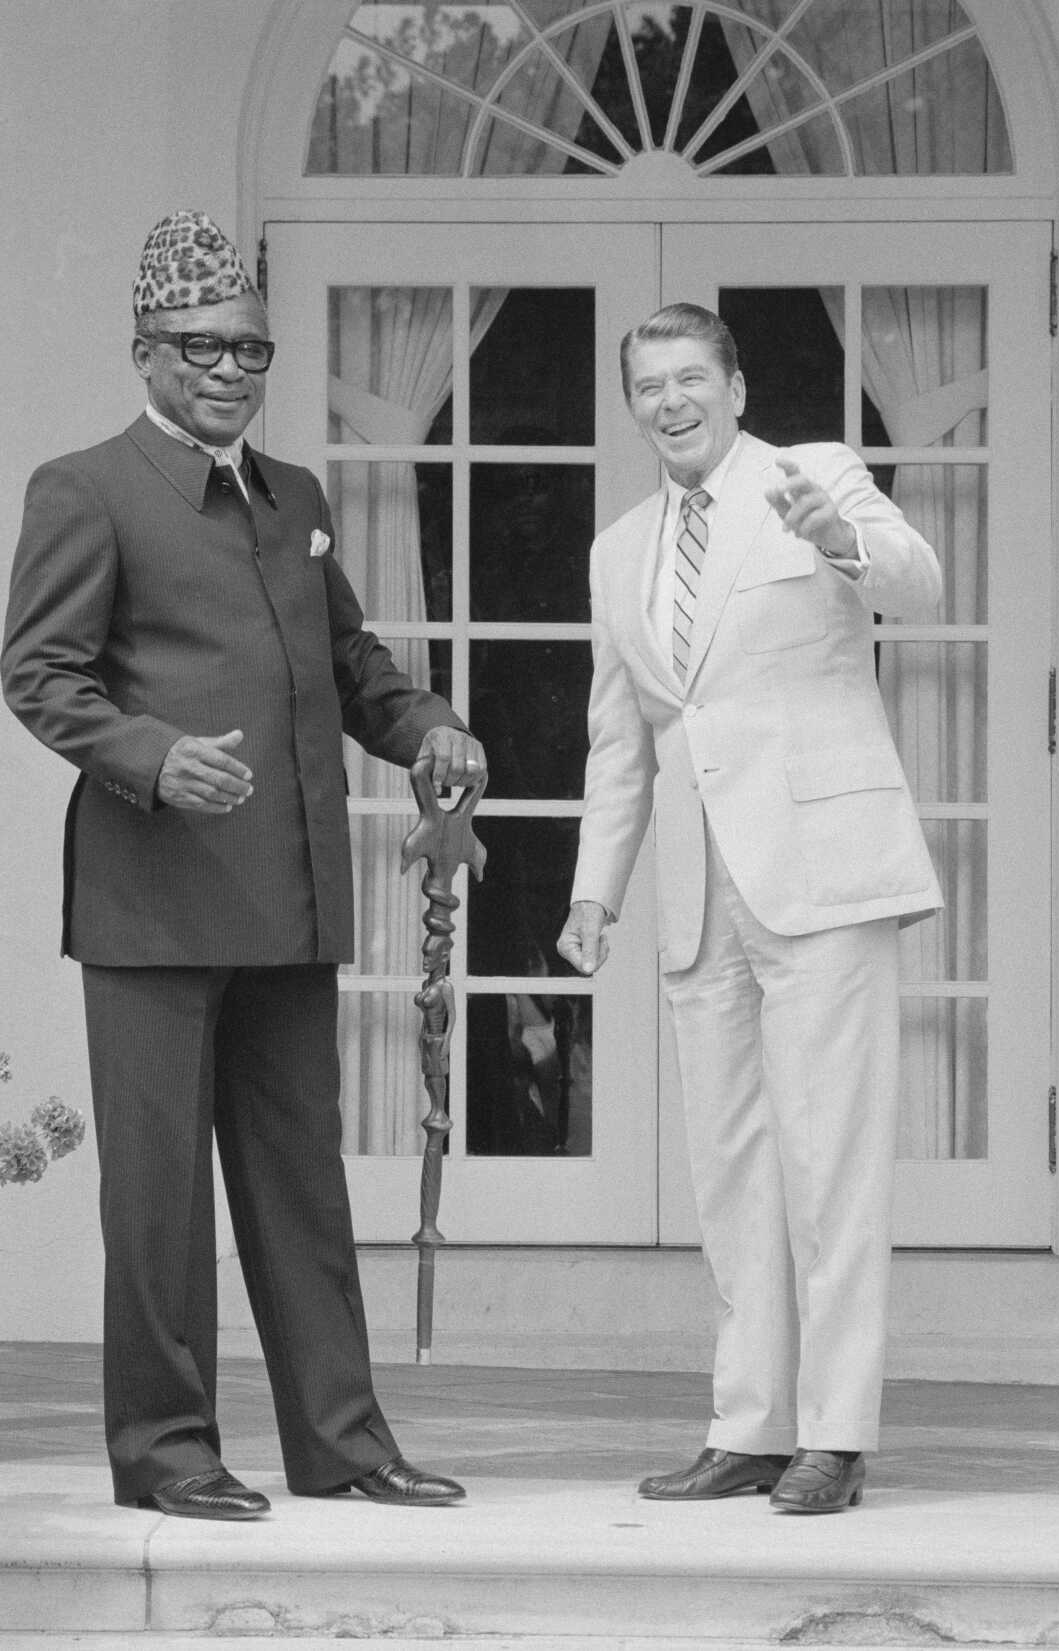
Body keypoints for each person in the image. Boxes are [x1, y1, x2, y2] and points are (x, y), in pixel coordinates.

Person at [1, 211, 486, 1521]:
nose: (232, 367)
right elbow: (37, 674)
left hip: (291, 896)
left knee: (300, 1189)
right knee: (158, 1204)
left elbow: (354, 668)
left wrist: (429, 724)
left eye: (252, 348)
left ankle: (342, 1441)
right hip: (151, 908)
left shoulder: (300, 500)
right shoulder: (84, 487)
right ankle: (167, 1453)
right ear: (147, 349)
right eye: (205, 344)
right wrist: (151, 754)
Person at [557, 303, 942, 1515]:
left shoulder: (813, 475)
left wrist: (840, 540)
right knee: (729, 1167)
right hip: (695, 883)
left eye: (687, 378)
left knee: (828, 1156)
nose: (667, 401)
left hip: (820, 864)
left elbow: (917, 585)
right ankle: (750, 1426)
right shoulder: (618, 548)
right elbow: (619, 739)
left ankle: (835, 1430)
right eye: (646, 385)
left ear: (731, 386)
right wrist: (590, 888)